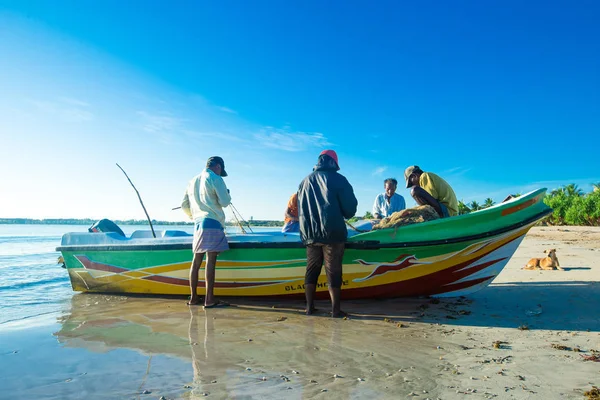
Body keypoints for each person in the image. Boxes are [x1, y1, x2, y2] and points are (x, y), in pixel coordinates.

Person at [298, 150, 358, 318]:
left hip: (309, 233)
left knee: (312, 269)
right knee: (333, 271)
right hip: (333, 232)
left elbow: (300, 209)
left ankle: (309, 308)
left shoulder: (304, 181)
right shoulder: (339, 179)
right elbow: (350, 209)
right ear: (333, 163)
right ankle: (335, 310)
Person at [182, 156, 232, 308]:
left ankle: (193, 298)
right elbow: (224, 202)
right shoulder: (215, 178)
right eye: (220, 169)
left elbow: (184, 205)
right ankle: (209, 299)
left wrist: (193, 216)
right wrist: (227, 194)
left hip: (198, 224)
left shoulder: (192, 181)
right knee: (211, 260)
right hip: (212, 222)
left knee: (196, 262)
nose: (220, 172)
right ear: (218, 166)